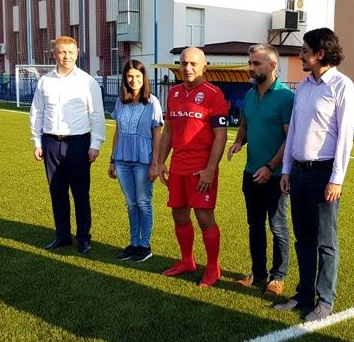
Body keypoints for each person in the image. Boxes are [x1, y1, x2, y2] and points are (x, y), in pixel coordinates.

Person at [273, 28, 354, 322]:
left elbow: (345, 138)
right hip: (298, 173)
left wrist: (337, 178)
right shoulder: (304, 86)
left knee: (325, 241)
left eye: (304, 51)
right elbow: (295, 131)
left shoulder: (342, 87)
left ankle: (325, 300)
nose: (300, 56)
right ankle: (304, 294)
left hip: (323, 175)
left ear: (320, 54)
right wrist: (287, 169)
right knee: (304, 238)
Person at [158, 47, 230, 287]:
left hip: (201, 168)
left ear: (204, 66)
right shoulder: (174, 92)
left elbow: (220, 136)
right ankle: (187, 261)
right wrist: (161, 161)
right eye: (183, 63)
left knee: (204, 218)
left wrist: (210, 169)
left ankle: (213, 267)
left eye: (193, 63)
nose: (187, 68)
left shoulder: (214, 94)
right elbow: (168, 129)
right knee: (178, 215)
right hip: (178, 165)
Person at [226, 44, 293, 297]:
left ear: (272, 66)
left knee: (277, 227)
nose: (251, 68)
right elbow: (245, 125)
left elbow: (290, 139)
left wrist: (270, 166)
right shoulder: (250, 95)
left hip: (275, 176)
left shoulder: (286, 97)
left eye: (256, 63)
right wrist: (237, 142)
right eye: (250, 63)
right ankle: (258, 273)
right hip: (251, 173)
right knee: (255, 225)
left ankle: (278, 277)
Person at [29, 36, 106, 254]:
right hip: (51, 143)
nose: (66, 56)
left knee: (80, 194)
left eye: (70, 52)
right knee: (57, 192)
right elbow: (37, 112)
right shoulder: (45, 81)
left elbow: (96, 115)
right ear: (54, 54)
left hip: (78, 144)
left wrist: (96, 144)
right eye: (62, 52)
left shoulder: (87, 82)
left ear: (77, 53)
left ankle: (83, 238)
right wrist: (37, 141)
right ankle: (62, 236)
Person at [108, 60, 163, 262]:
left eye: (138, 76)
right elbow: (118, 131)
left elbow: (157, 134)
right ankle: (133, 243)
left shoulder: (152, 102)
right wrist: (112, 160)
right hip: (122, 160)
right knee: (131, 203)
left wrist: (155, 163)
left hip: (143, 160)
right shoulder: (120, 101)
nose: (134, 80)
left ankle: (144, 245)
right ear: (125, 78)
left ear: (144, 78)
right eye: (130, 76)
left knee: (143, 202)